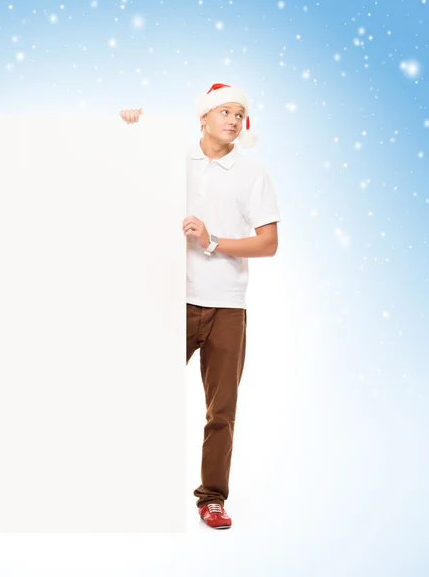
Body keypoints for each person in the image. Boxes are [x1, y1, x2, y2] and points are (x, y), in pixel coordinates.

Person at [120, 83, 281, 529]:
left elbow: (268, 243)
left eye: (240, 113)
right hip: (170, 297)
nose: (232, 119)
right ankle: (125, 486)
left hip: (227, 305)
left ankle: (212, 498)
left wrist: (212, 242)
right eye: (224, 110)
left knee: (222, 410)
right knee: (138, 391)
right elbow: (126, 177)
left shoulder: (252, 173)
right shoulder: (172, 160)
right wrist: (129, 130)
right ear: (204, 117)